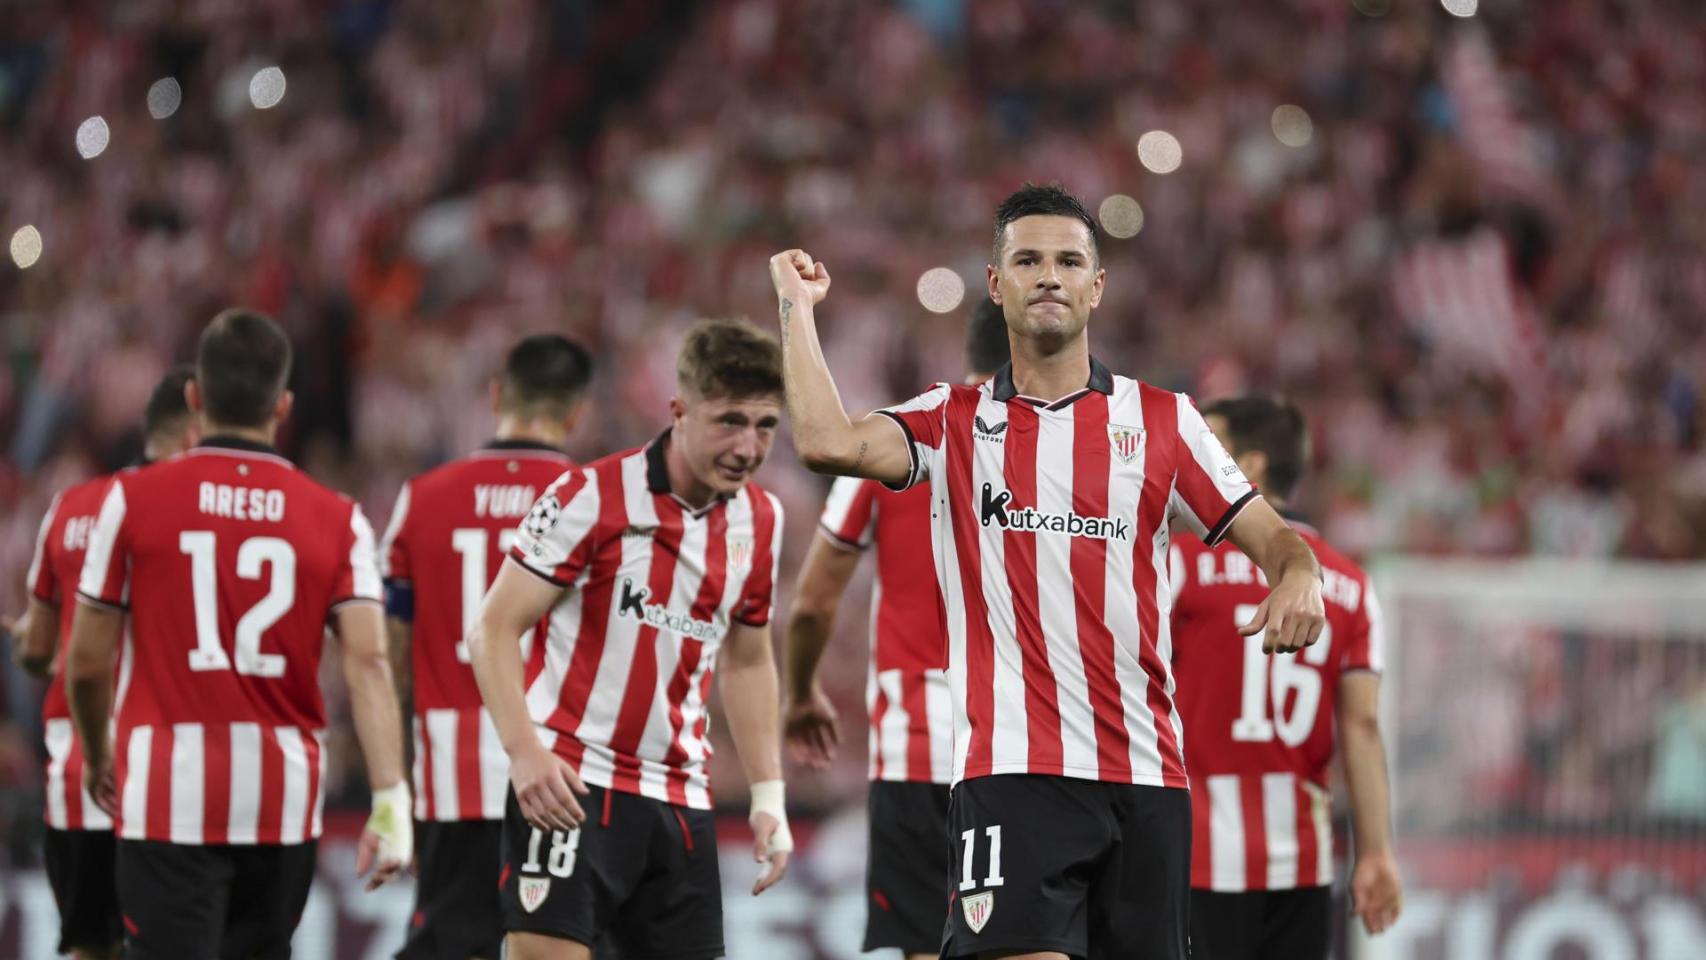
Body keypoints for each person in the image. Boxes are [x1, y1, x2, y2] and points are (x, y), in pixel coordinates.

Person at [768, 183, 1327, 960]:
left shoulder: (1165, 421)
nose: (1050, 276)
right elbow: (826, 441)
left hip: (1148, 780)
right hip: (1013, 774)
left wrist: (1299, 575)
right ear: (997, 285)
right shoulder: (952, 420)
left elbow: (1276, 540)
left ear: (1097, 288)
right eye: (1027, 260)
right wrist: (797, 307)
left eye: (1069, 261)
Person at [66, 309, 412, 960]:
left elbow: (85, 662)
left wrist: (96, 748)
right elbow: (368, 664)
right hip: (280, 804)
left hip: (167, 794)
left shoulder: (131, 502)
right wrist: (391, 797)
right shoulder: (338, 520)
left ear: (195, 398)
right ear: (282, 406)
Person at [468, 318, 794, 960]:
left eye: (765, 426)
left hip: (681, 801)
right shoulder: (591, 496)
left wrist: (768, 795)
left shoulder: (762, 519)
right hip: (574, 784)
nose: (748, 446)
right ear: (678, 411)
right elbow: (493, 627)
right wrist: (525, 752)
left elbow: (750, 659)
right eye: (729, 420)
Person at [783, 298, 1009, 960]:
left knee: (922, 947)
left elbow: (814, 601)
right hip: (1018, 748)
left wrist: (800, 692)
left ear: (963, 356)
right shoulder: (1067, 454)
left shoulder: (901, 437)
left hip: (914, 747)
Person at [380, 333, 593, 960]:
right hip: (562, 774)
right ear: (576, 411)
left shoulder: (422, 498)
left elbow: (390, 662)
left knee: (449, 945)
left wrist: (396, 784)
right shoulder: (592, 500)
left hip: (451, 771)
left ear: (498, 394)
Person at [1169, 395, 1402, 959]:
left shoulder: (1178, 564)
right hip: (1301, 857)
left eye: (1211, 445)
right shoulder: (1352, 586)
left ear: (1248, 467)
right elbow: (1363, 726)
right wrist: (1375, 854)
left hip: (1193, 853)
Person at [4, 367, 199, 960]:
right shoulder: (200, 515)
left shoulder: (71, 508)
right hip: (172, 773)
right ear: (196, 430)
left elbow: (36, 652)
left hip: (77, 770)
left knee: (91, 948)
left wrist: (35, 647)